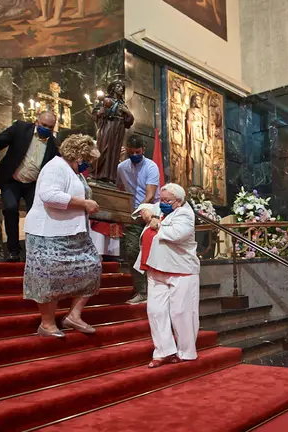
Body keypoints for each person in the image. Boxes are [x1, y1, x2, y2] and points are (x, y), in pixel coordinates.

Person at [22, 134, 101, 338]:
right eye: (87, 159)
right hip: (47, 232)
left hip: (74, 232)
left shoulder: (75, 171)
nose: (88, 164)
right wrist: (84, 203)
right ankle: (47, 323)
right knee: (49, 277)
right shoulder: (55, 167)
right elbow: (49, 195)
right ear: (78, 155)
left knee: (92, 267)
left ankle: (73, 316)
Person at [133, 183, 200, 367]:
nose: (162, 203)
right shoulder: (161, 208)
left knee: (181, 313)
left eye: (167, 200)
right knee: (156, 311)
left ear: (179, 201)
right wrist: (147, 213)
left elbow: (176, 234)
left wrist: (157, 223)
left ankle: (186, 352)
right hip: (155, 268)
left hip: (181, 270)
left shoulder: (185, 214)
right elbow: (141, 209)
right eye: (161, 199)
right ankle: (163, 351)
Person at [0, 112, 60, 262]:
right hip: (11, 180)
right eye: (43, 125)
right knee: (11, 208)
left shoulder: (54, 145)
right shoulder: (20, 128)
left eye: (50, 127)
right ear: (36, 121)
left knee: (36, 215)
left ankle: (34, 250)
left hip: (33, 184)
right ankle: (13, 251)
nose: (46, 129)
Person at [118, 135, 161, 304]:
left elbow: (150, 195)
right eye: (132, 152)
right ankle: (142, 291)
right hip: (132, 215)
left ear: (143, 150)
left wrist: (142, 210)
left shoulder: (151, 167)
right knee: (132, 251)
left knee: (153, 252)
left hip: (151, 212)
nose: (135, 155)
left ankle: (156, 289)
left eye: (138, 152)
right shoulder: (122, 167)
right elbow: (118, 187)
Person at [92, 79, 134, 184]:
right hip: (108, 126)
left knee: (114, 151)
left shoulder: (122, 105)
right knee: (104, 149)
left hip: (119, 129)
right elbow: (95, 114)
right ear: (113, 88)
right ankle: (98, 174)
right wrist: (100, 113)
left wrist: (127, 112)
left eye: (122, 87)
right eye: (118, 86)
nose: (121, 89)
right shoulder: (106, 100)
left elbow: (129, 122)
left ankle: (110, 176)